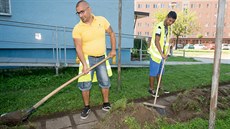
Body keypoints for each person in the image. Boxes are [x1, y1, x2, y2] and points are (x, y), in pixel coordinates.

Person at [72, 0, 116, 119]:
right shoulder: (77, 28)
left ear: (89, 9)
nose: (81, 15)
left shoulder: (102, 20)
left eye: (82, 12)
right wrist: (84, 64)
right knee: (85, 84)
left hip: (102, 58)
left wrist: (113, 50)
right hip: (86, 59)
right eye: (78, 13)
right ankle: (86, 107)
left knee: (105, 82)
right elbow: (78, 47)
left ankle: (106, 104)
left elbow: (111, 33)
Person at [147, 11, 177, 95]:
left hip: (162, 55)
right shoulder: (159, 27)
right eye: (170, 20)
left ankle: (160, 87)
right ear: (167, 17)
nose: (171, 23)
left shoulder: (167, 28)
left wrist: (170, 44)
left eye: (173, 22)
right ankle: (151, 89)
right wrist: (162, 54)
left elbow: (164, 42)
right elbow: (157, 42)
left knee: (160, 72)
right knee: (153, 72)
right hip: (156, 54)